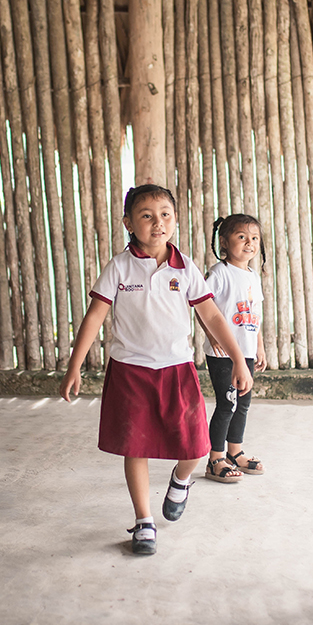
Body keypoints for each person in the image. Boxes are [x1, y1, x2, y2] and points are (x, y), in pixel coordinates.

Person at [59, 184, 253, 556]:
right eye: (146, 216)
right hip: (130, 372)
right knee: (136, 448)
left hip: (177, 369)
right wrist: (74, 366)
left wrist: (238, 359)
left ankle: (181, 480)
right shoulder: (119, 266)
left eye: (165, 214)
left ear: (175, 219)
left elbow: (213, 315)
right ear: (128, 223)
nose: (157, 223)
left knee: (196, 445)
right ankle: (144, 520)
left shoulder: (186, 267)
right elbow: (95, 316)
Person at [202, 213, 268, 483]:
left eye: (254, 238)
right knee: (227, 403)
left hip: (247, 351)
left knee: (243, 403)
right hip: (223, 354)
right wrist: (211, 334)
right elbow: (201, 304)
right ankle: (215, 458)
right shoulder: (219, 273)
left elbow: (256, 314)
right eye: (242, 237)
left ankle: (235, 452)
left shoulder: (253, 276)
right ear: (224, 242)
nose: (249, 243)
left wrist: (259, 346)